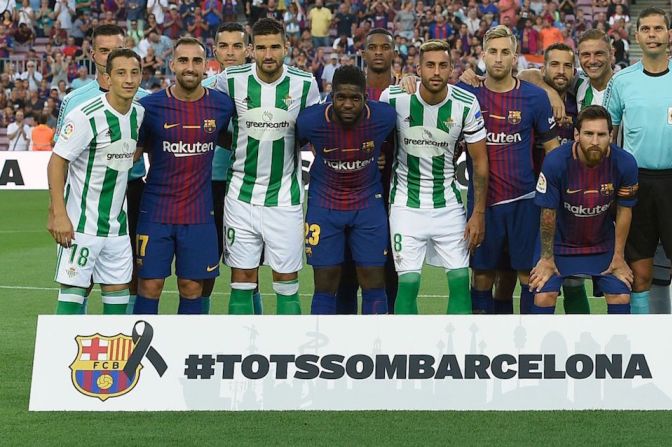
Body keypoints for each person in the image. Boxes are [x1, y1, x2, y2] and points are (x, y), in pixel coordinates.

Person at [214, 18, 320, 315]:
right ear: (251, 50)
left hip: (285, 199)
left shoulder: (305, 83)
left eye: (275, 47)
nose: (269, 54)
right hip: (240, 197)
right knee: (242, 279)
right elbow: (219, 128)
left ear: (286, 47)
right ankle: (241, 355)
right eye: (261, 48)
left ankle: (288, 354)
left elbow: (310, 134)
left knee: (286, 281)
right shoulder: (230, 80)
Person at [380, 40, 488, 314]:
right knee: (408, 283)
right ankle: (409, 351)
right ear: (418, 69)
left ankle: (458, 351)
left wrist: (478, 213)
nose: (436, 72)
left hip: (449, 206)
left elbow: (480, 163)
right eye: (430, 65)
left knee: (461, 280)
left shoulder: (465, 104)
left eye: (443, 65)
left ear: (452, 69)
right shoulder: (393, 98)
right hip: (405, 205)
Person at [457, 25, 559, 314]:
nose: (499, 59)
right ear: (482, 56)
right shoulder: (465, 93)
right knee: (483, 276)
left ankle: (526, 344)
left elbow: (552, 151)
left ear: (515, 58)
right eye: (493, 52)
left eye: (505, 52)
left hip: (524, 200)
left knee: (528, 275)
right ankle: (484, 345)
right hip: (482, 203)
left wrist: (551, 197)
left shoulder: (534, 98)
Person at [133, 37, 235, 315]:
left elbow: (233, 140)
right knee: (150, 286)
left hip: (199, 215)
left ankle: (188, 354)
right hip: (156, 212)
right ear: (172, 65)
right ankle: (139, 356)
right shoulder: (151, 107)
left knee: (192, 287)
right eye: (183, 60)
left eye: (197, 61)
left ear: (206, 66)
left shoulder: (222, 106)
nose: (190, 67)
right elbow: (132, 155)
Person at [54, 24, 151, 314]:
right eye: (120, 72)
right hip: (82, 221)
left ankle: (117, 360)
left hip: (119, 220)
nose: (128, 79)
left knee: (120, 291)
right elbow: (58, 159)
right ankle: (61, 356)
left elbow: (136, 149)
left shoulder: (142, 109)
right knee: (74, 291)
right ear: (106, 73)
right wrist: (57, 212)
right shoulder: (81, 110)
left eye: (134, 72)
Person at [297, 65, 396, 315]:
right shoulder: (310, 121)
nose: (348, 104)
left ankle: (376, 346)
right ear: (331, 96)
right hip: (324, 205)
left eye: (355, 98)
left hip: (367, 206)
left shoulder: (384, 116)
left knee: (374, 280)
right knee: (326, 283)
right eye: (341, 97)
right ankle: (323, 346)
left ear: (366, 98)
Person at [529, 105, 638, 314]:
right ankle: (541, 346)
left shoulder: (625, 163)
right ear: (576, 134)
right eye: (589, 134)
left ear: (611, 135)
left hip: (602, 242)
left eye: (601, 134)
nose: (595, 141)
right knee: (543, 295)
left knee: (621, 294)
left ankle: (616, 346)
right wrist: (547, 258)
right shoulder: (556, 162)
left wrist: (619, 256)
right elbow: (548, 214)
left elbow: (625, 211)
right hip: (560, 242)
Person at [604, 8, 672, 314]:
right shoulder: (622, 81)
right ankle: (646, 343)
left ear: (669, 35)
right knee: (641, 273)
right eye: (646, 29)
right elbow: (609, 136)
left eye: (659, 28)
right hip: (637, 184)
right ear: (636, 36)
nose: (653, 34)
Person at [335, 28, 400, 314]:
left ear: (393, 54)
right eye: (372, 47)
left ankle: (389, 336)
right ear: (363, 54)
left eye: (384, 47)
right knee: (346, 272)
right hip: (352, 192)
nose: (377, 52)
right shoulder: (347, 93)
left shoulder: (406, 92)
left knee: (389, 270)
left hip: (394, 194)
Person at [200, 22, 263, 315]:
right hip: (210, 184)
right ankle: (201, 325)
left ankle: (254, 330)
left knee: (251, 270)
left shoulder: (261, 89)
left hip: (249, 184)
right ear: (215, 50)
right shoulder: (204, 90)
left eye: (237, 46)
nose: (230, 52)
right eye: (223, 46)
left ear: (249, 50)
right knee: (206, 266)